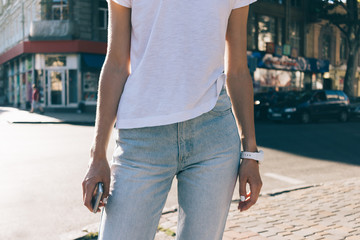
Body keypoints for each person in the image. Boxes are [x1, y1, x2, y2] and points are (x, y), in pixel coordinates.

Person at [82, 0, 263, 239]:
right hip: (141, 142)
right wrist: (97, 155)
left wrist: (250, 154)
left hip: (213, 139)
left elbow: (238, 69)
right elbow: (116, 63)